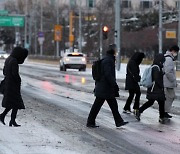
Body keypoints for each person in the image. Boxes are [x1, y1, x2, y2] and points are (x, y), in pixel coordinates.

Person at [86, 44, 128, 128]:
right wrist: (114, 84)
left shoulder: (106, 59)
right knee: (98, 105)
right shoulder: (108, 60)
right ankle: (90, 122)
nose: (117, 52)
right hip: (105, 87)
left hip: (104, 87)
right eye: (116, 50)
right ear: (114, 51)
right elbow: (108, 74)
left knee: (111, 105)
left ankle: (118, 121)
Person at [0, 47, 28, 127]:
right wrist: (18, 80)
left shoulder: (8, 59)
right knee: (16, 103)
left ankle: (6, 117)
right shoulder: (14, 61)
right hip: (13, 85)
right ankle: (11, 120)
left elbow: (4, 72)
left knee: (12, 103)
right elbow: (15, 74)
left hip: (8, 83)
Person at [138, 54, 168, 124]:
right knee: (158, 102)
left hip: (154, 89)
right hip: (155, 89)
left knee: (153, 102)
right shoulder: (156, 67)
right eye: (163, 61)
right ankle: (161, 117)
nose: (163, 62)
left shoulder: (156, 66)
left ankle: (139, 111)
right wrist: (162, 86)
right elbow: (157, 79)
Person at [123, 52, 145, 120]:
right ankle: (135, 107)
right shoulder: (133, 63)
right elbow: (135, 73)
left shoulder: (132, 62)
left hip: (130, 81)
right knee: (137, 93)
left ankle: (127, 107)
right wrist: (138, 78)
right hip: (132, 81)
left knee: (132, 94)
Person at [163, 45, 179, 118]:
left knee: (169, 97)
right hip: (168, 82)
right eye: (176, 52)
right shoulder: (169, 59)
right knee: (170, 97)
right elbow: (168, 71)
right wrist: (173, 80)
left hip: (167, 82)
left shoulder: (167, 58)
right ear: (172, 51)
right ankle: (164, 112)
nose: (176, 53)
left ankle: (164, 112)